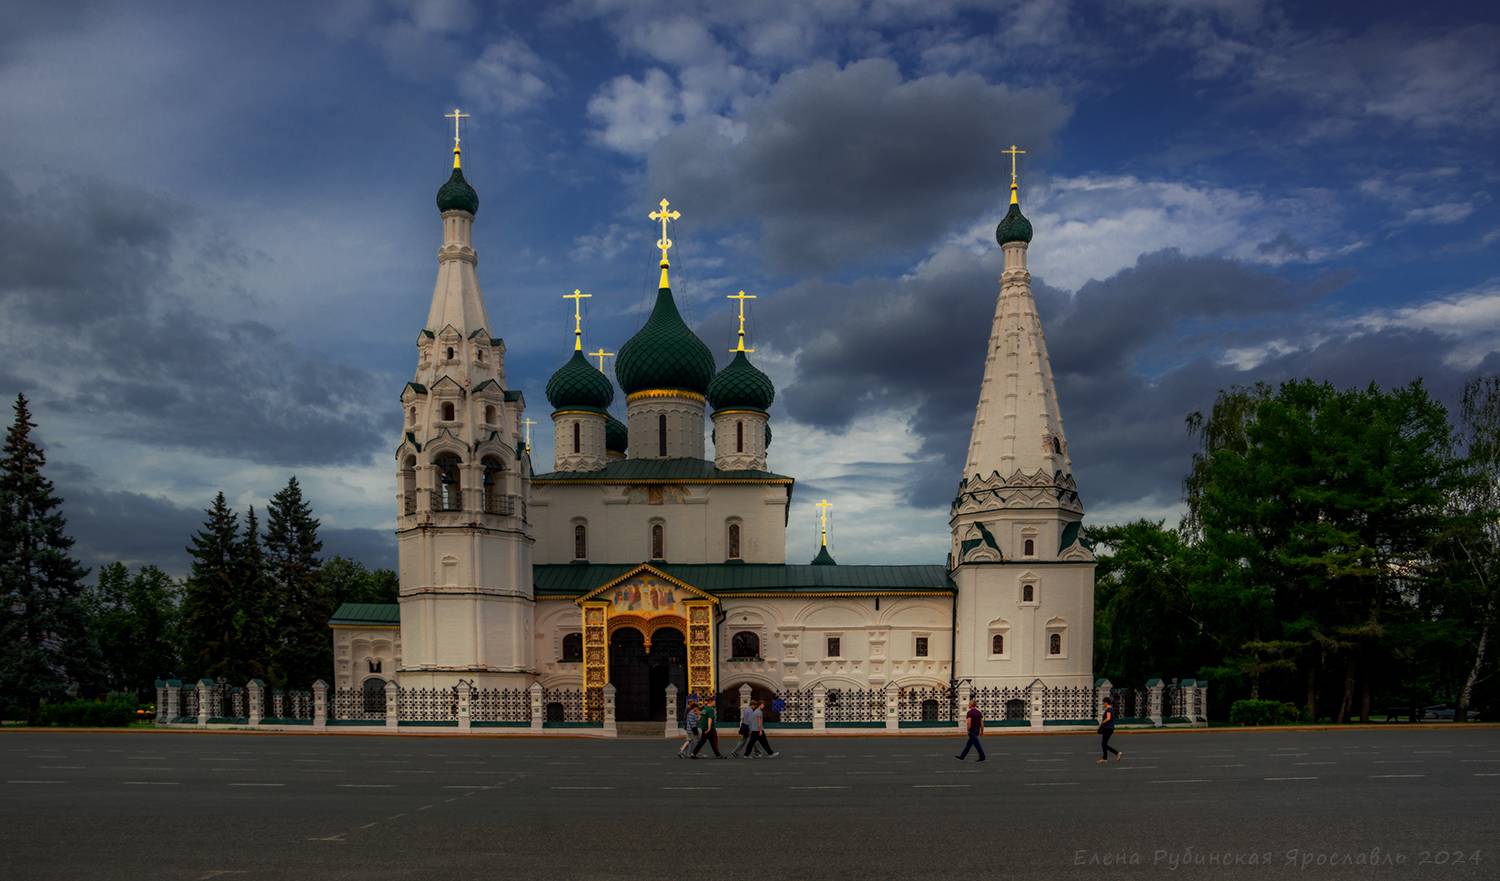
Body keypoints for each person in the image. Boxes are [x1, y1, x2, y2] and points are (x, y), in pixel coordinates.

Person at [1098, 696, 1122, 763]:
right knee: (1104, 744)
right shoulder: (1111, 709)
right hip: (1109, 728)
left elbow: (1108, 718)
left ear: (1106, 702)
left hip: (1107, 728)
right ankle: (1105, 758)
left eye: (1104, 703)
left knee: (1104, 744)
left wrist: (1103, 722)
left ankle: (1116, 753)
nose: (1103, 704)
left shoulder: (1108, 709)